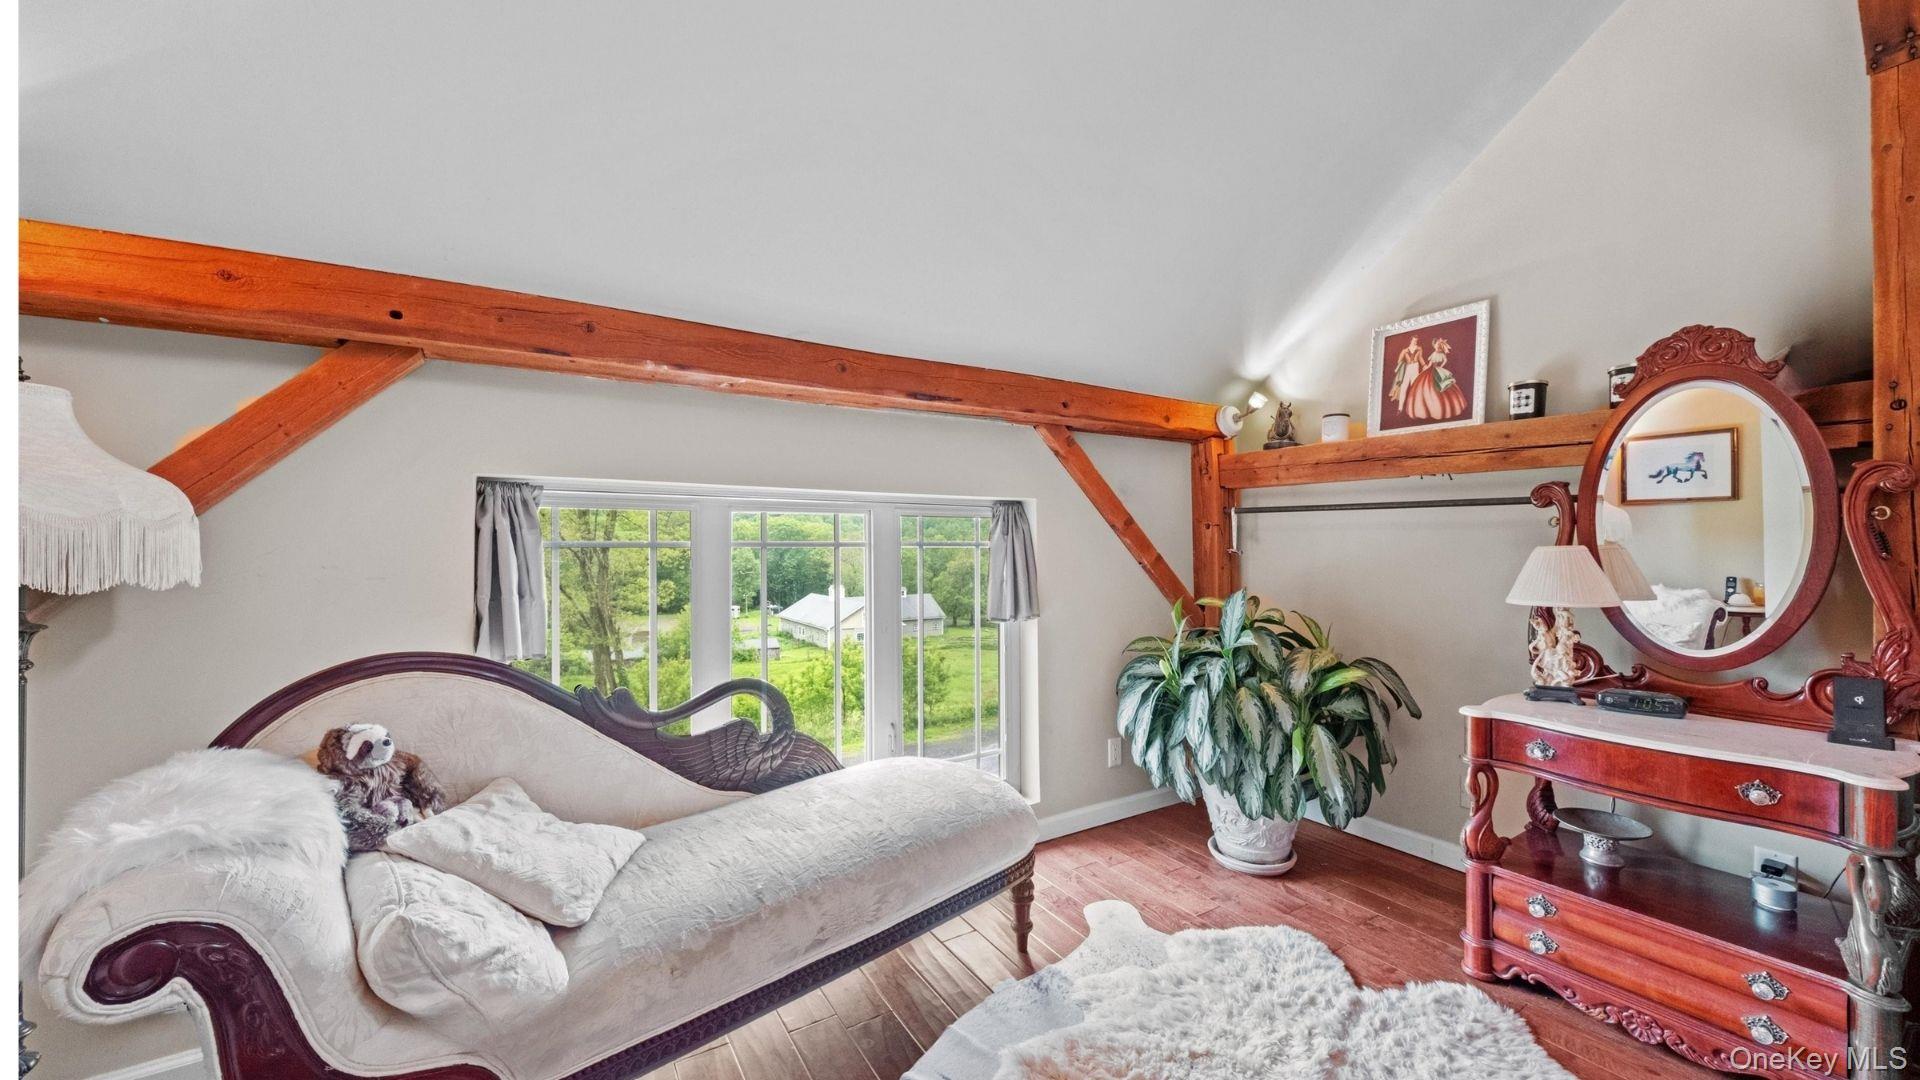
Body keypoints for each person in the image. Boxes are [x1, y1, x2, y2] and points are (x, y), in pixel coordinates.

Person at [1403, 337, 1468, 420]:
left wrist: (1441, 366)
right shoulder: (1433, 354)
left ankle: (1442, 409)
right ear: (1434, 346)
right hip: (1430, 371)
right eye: (1436, 345)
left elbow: (1445, 360)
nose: (1437, 347)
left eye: (1438, 345)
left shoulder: (1441, 354)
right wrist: (1426, 368)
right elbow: (1430, 364)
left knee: (1440, 386)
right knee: (1424, 387)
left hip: (1437, 370)